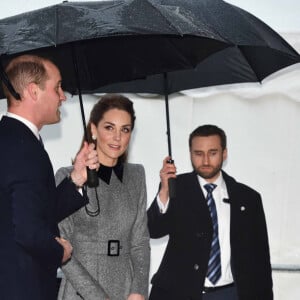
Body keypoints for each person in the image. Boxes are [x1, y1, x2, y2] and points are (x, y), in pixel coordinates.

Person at [0, 54, 99, 300]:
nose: (63, 96)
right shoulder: (23, 148)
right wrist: (59, 250)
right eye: (57, 87)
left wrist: (76, 178)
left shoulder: (13, 140)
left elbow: (29, 213)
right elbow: (26, 230)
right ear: (34, 91)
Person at [147, 124, 273, 300]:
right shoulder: (176, 188)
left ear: (224, 153)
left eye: (212, 153)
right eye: (198, 153)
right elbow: (153, 230)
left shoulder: (248, 198)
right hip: (179, 293)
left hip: (231, 293)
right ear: (190, 153)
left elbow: (261, 260)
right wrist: (164, 192)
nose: (205, 161)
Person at [55, 94, 150, 300]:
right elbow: (62, 247)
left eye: (125, 129)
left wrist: (139, 290)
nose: (118, 137)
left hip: (126, 289)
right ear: (93, 130)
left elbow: (140, 241)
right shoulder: (67, 177)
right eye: (109, 127)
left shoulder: (136, 175)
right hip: (80, 291)